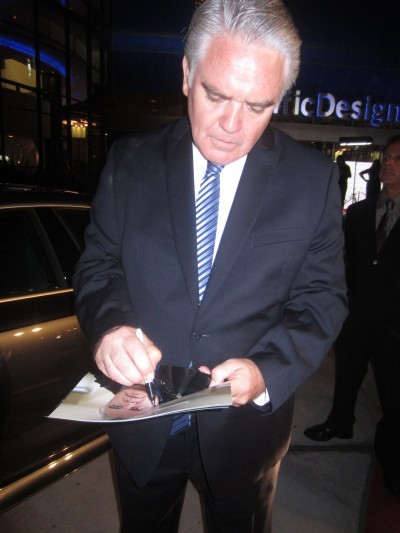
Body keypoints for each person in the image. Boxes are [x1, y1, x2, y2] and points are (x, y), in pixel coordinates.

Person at [73, 1, 347, 531]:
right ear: (186, 74)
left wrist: (266, 372)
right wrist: (109, 327)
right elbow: (98, 263)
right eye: (215, 95)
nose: (230, 125)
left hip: (245, 432)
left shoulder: (311, 182)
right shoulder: (129, 163)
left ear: (278, 99)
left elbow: (322, 300)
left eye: (257, 105)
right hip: (142, 425)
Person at [304, 135, 400, 498]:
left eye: (397, 158)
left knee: (393, 392)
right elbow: (343, 262)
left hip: (395, 323)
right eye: (386, 157)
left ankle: (392, 459)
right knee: (347, 375)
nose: (388, 163)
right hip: (356, 313)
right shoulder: (359, 212)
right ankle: (340, 422)